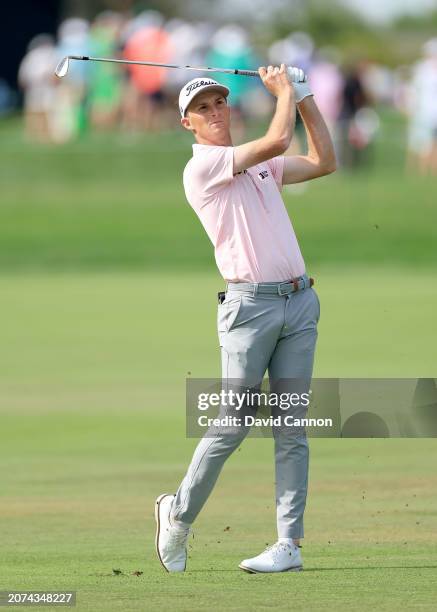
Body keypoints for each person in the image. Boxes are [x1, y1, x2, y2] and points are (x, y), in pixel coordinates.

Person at [155, 64, 336, 573]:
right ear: (187, 123)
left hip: (299, 301)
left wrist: (303, 95)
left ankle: (288, 545)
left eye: (218, 104)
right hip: (249, 308)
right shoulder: (204, 167)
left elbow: (324, 161)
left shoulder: (258, 166)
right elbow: (278, 140)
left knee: (291, 427)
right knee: (232, 422)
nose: (214, 113)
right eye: (201, 109)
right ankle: (178, 515)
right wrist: (283, 93)